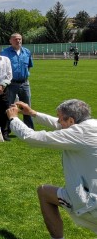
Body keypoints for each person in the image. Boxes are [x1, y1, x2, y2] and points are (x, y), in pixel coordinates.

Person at [7, 100, 97, 238]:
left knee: (44, 193)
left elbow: (32, 137)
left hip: (90, 203)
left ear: (72, 120)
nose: (58, 122)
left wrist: (13, 119)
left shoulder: (79, 133)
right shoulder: (91, 125)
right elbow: (60, 124)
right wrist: (33, 113)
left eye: (60, 118)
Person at [1, 33, 34, 129]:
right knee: (9, 106)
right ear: (10, 41)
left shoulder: (27, 52)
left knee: (27, 106)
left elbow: (29, 66)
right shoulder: (5, 53)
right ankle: (7, 129)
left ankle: (29, 128)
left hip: (24, 83)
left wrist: (24, 76)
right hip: (11, 84)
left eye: (20, 39)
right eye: (15, 39)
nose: (18, 41)